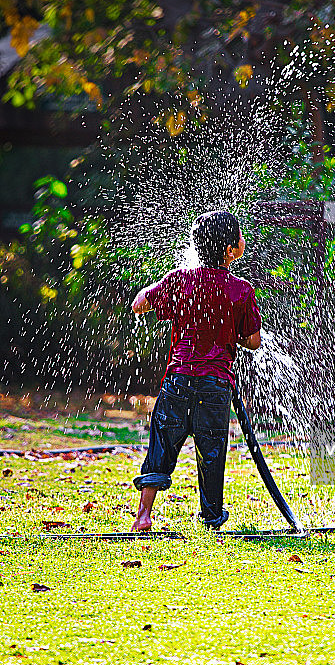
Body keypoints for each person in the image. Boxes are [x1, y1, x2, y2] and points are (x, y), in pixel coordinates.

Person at [130, 210, 261, 531]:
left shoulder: (180, 279)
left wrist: (153, 292)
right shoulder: (240, 290)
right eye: (240, 238)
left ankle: (144, 515)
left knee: (162, 443)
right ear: (231, 250)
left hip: (178, 380)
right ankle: (212, 517)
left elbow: (139, 304)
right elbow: (253, 341)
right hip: (216, 386)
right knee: (212, 451)